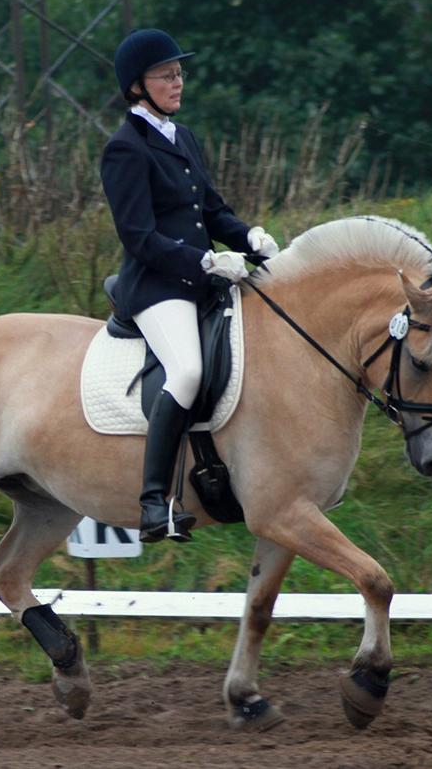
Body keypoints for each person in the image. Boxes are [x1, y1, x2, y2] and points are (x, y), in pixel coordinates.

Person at [100, 28, 280, 543]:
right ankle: (154, 503)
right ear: (137, 86)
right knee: (187, 371)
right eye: (166, 75)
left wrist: (249, 236)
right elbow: (139, 237)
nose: (178, 82)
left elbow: (213, 210)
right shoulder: (124, 149)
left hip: (203, 278)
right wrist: (205, 261)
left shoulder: (184, 137)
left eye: (179, 73)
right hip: (158, 287)